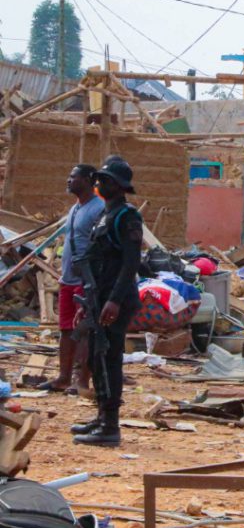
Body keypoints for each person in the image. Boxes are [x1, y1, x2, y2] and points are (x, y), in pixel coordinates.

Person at [71, 159, 143, 447]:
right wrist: (86, 303)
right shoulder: (106, 214)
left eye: (105, 179)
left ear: (119, 185)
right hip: (98, 298)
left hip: (117, 300)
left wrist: (113, 301)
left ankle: (110, 426)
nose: (99, 183)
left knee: (109, 359)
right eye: (99, 179)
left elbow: (130, 263)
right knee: (95, 358)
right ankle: (101, 418)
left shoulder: (127, 217)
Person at [38, 165, 104, 395]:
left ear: (87, 180)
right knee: (66, 329)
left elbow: (101, 248)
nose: (68, 180)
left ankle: (81, 381)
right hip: (68, 279)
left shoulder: (99, 209)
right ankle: (63, 377)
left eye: (73, 177)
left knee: (85, 330)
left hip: (85, 280)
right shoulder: (76, 208)